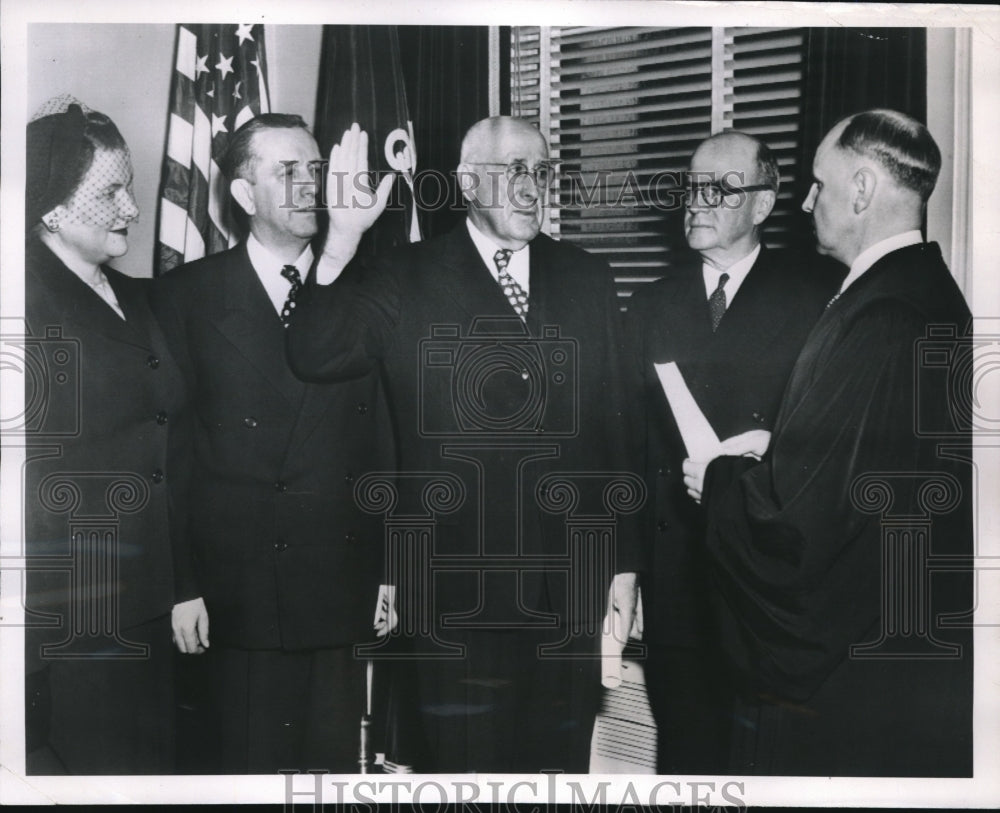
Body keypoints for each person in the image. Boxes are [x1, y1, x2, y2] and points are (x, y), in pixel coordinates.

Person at [287, 116, 641, 773]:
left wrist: (623, 562)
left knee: (557, 771)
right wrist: (341, 238)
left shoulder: (587, 276)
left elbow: (615, 426)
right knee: (464, 774)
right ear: (467, 180)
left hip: (569, 586)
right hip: (454, 589)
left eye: (542, 171)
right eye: (514, 170)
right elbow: (316, 351)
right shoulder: (406, 273)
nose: (533, 187)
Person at [695, 109, 973, 775]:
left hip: (846, 681)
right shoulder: (928, 294)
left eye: (819, 184)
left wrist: (718, 477)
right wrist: (786, 439)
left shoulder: (878, 317)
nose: (806, 199)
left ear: (862, 189)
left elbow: (800, 530)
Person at [151, 114, 396, 773]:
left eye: (316, 170)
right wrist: (182, 584)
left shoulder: (367, 291)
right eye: (289, 172)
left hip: (337, 584)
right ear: (242, 193)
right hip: (236, 593)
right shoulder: (183, 299)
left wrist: (388, 566)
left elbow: (385, 439)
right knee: (244, 771)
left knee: (328, 773)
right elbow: (169, 457)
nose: (310, 184)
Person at [626, 131, 838, 773]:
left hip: (764, 583)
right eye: (690, 186)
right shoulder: (649, 304)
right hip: (676, 582)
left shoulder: (818, 300)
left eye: (719, 189)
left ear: (764, 204)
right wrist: (625, 571)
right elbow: (631, 450)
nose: (696, 201)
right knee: (686, 759)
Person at [22, 95, 192, 774]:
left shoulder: (141, 298)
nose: (131, 208)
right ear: (52, 209)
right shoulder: (25, 308)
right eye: (110, 192)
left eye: (130, 186)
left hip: (151, 598)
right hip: (77, 615)